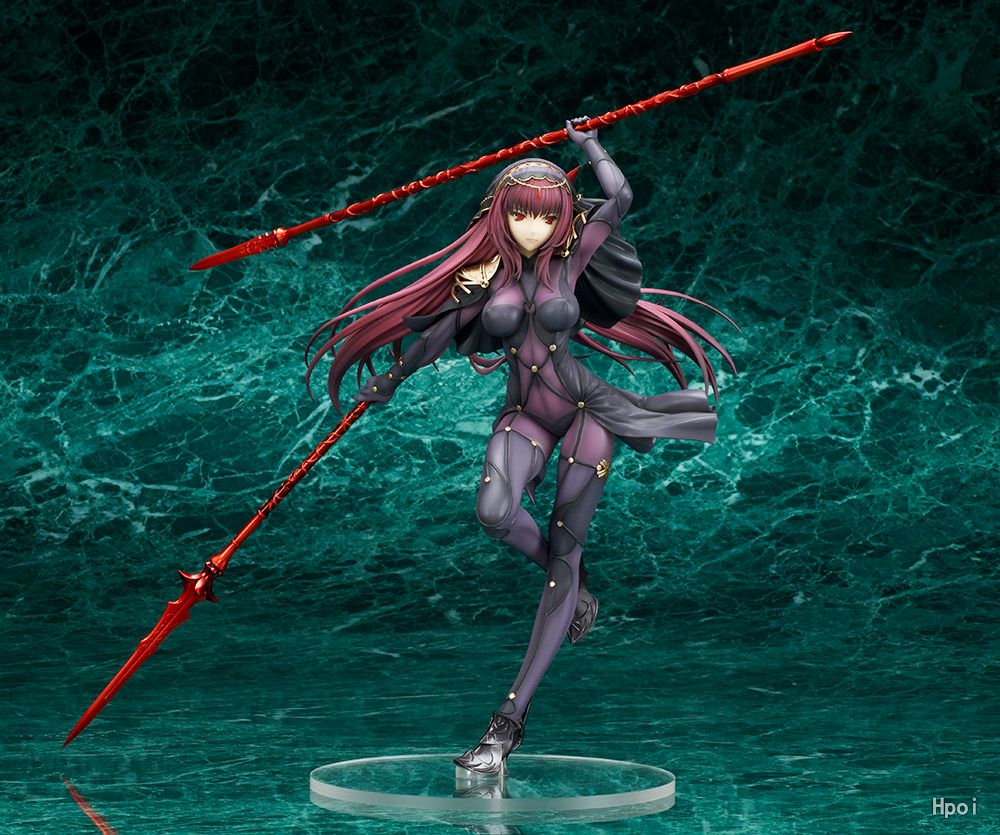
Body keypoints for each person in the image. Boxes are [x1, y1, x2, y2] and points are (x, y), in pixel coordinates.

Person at [305, 117, 738, 776]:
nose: (532, 227)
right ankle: (575, 584)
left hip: (586, 410)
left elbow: (620, 198)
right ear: (500, 216)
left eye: (545, 215)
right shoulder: (486, 274)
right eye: (519, 215)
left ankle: (506, 725)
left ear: (562, 217)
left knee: (565, 546)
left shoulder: (574, 258)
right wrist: (392, 379)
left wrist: (588, 144)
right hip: (525, 414)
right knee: (494, 514)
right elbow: (437, 334)